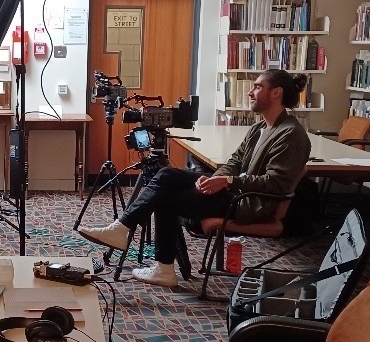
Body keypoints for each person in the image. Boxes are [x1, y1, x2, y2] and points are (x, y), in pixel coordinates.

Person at [78, 69, 311, 287]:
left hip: (250, 204)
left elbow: (275, 183)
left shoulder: (291, 134)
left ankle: (161, 266)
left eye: (258, 87)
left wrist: (227, 181)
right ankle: (124, 230)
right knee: (167, 174)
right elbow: (235, 162)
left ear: (276, 92)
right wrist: (214, 178)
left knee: (164, 198)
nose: (251, 92)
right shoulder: (260, 128)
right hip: (235, 192)